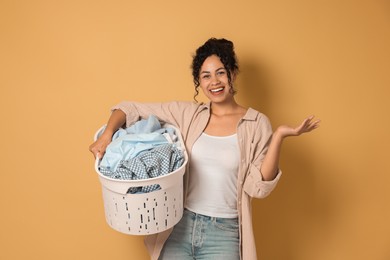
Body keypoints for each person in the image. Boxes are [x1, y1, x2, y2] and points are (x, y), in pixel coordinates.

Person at [89, 38, 320, 260]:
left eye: (221, 72)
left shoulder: (256, 124)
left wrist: (279, 136)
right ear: (199, 82)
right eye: (206, 76)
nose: (215, 82)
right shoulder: (188, 115)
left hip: (224, 232)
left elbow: (258, 187)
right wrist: (107, 135)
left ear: (233, 73)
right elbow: (128, 108)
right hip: (180, 225)